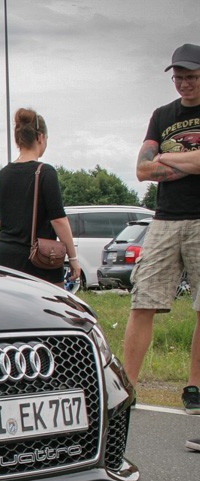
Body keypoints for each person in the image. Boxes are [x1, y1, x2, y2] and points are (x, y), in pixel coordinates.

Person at [120, 43, 200, 426]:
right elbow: (142, 170)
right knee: (143, 300)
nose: (184, 83)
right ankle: (127, 387)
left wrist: (165, 158)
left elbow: (157, 163)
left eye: (191, 77)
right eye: (179, 77)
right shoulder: (162, 115)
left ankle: (194, 387)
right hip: (164, 220)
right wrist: (187, 161)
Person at [0, 108, 80, 286]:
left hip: (4, 259)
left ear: (18, 140)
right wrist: (73, 259)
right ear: (40, 138)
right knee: (48, 304)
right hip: (38, 260)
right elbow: (58, 220)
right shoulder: (45, 172)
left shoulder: (1, 175)